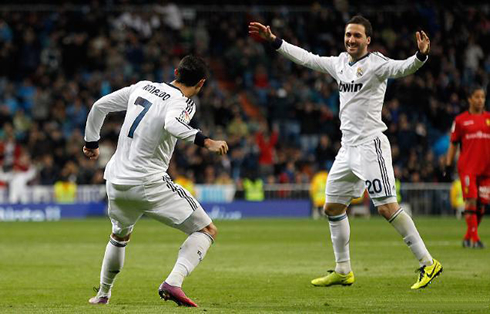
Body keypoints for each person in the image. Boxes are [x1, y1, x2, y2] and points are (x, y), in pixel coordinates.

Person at [249, 16, 442, 289]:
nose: (351, 39)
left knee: (387, 208)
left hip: (370, 145)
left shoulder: (377, 64)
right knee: (332, 207)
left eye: (357, 36)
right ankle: (343, 270)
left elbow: (402, 69)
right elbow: (307, 58)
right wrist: (274, 41)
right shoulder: (339, 63)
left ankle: (428, 263)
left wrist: (420, 56)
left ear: (368, 40)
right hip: (347, 149)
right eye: (348, 35)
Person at [83, 55, 229, 307]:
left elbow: (99, 106)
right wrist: (207, 141)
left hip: (116, 182)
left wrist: (91, 143)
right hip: (148, 183)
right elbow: (172, 123)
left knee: (119, 236)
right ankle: (173, 282)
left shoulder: (141, 86)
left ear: (175, 72)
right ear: (201, 83)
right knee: (207, 230)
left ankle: (103, 294)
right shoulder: (183, 101)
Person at [445, 87, 490, 249]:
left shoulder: (489, 119)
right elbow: (453, 144)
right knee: (471, 200)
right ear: (470, 99)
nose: (480, 100)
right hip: (468, 167)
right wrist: (448, 164)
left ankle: (468, 235)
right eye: (477, 97)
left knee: (482, 204)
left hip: (487, 169)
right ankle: (475, 239)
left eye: (482, 97)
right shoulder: (460, 120)